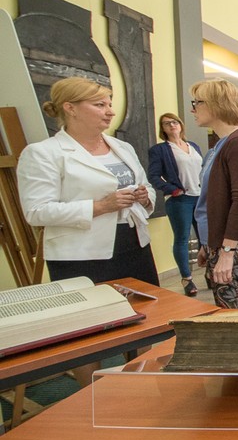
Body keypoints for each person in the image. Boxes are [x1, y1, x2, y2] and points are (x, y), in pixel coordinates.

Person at [18, 77, 158, 286]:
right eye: (100, 105)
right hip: (82, 255)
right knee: (99, 307)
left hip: (135, 246)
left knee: (152, 304)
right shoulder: (43, 153)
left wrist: (144, 197)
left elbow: (146, 186)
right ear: (70, 108)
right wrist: (101, 206)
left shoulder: (123, 147)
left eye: (109, 104)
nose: (110, 112)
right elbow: (37, 211)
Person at [191, 79, 238, 309]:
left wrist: (227, 252)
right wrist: (207, 242)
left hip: (232, 245)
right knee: (227, 306)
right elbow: (212, 200)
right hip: (219, 242)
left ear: (216, 104)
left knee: (236, 309)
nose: (193, 109)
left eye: (197, 102)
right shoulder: (222, 144)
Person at [147, 112, 202, 296]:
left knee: (205, 238)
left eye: (174, 122)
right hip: (180, 199)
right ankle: (187, 279)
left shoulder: (193, 146)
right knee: (182, 238)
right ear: (162, 128)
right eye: (166, 123)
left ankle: (210, 272)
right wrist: (172, 189)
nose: (172, 125)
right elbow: (153, 176)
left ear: (181, 124)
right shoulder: (160, 150)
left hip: (200, 198)